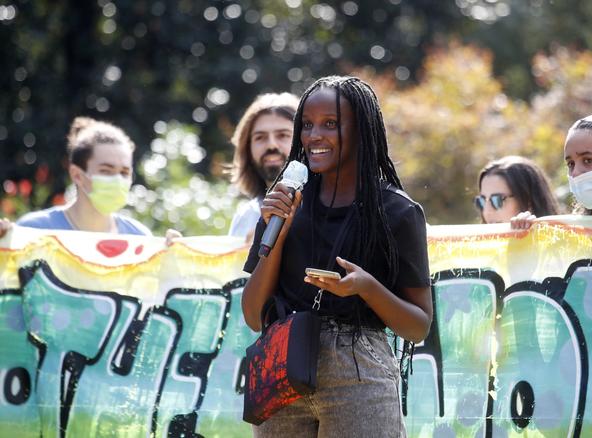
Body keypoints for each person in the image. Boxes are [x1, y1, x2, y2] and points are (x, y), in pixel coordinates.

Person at [241, 76, 432, 437]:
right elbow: (253, 315)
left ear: (362, 130)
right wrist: (278, 232)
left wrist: (366, 288)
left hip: (359, 370)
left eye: (330, 124)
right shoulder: (285, 202)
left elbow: (417, 325)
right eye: (307, 125)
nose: (314, 136)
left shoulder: (397, 212)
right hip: (283, 365)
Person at [0, 117, 151, 237]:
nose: (118, 180)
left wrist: (173, 257)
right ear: (77, 175)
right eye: (106, 171)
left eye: (124, 172)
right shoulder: (34, 230)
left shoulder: (139, 238)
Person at [228, 93, 299, 241]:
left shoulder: (325, 210)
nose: (271, 145)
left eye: (283, 135)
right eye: (260, 137)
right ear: (247, 148)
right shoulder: (246, 215)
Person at [475, 156, 561, 229]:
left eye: (497, 200)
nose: (486, 211)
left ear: (529, 200)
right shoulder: (474, 246)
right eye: (481, 201)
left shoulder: (562, 241)